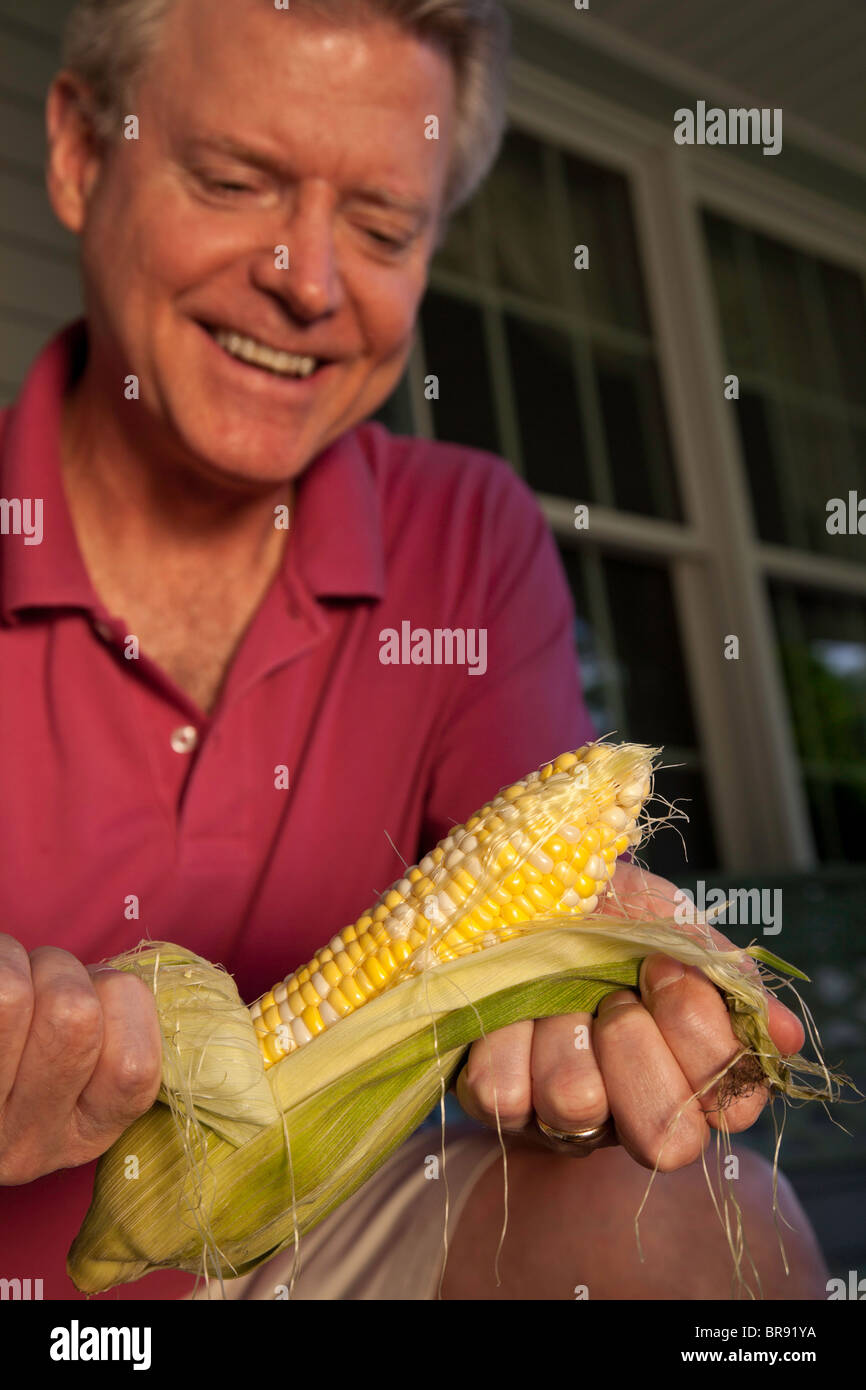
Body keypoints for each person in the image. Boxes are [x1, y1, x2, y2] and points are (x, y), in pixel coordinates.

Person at [0, 0, 827, 1300]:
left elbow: (549, 925)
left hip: (309, 1255)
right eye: (233, 179)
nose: (310, 281)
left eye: (382, 227)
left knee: (698, 1222)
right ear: (76, 152)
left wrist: (587, 994)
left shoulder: (467, 536)